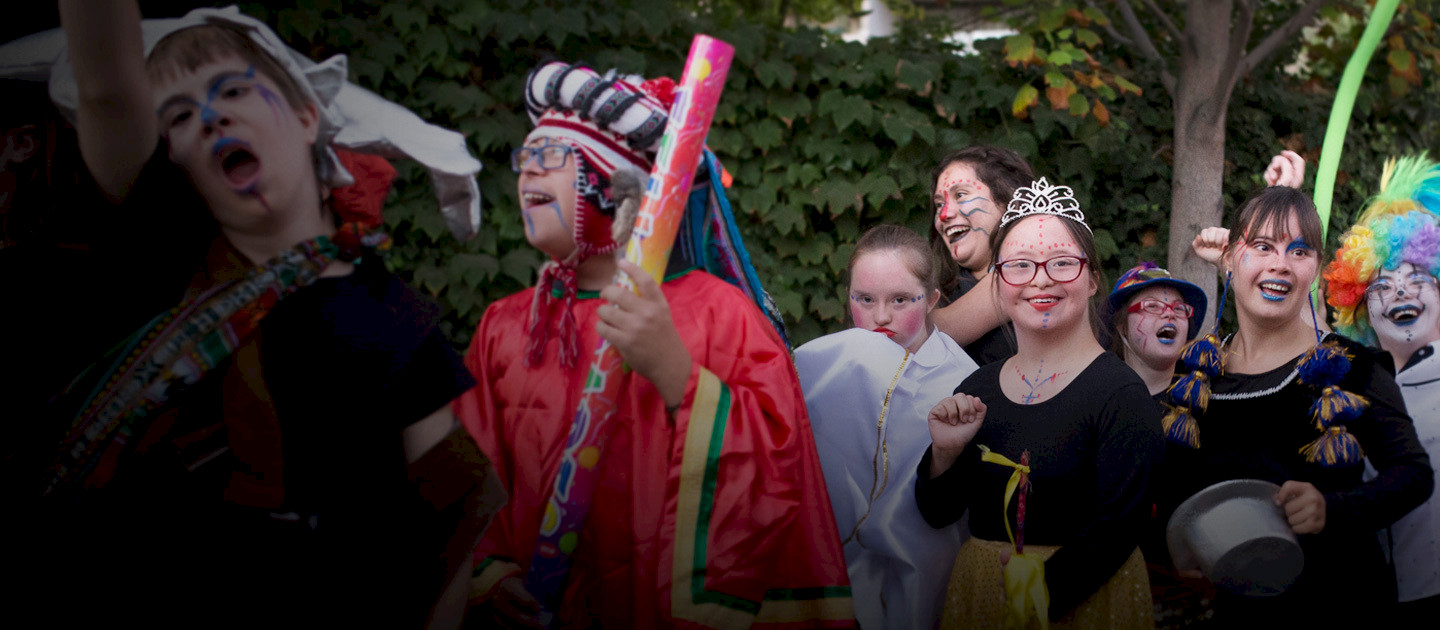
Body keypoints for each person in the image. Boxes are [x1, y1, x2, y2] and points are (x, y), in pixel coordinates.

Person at [20, 3, 497, 626]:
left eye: (235, 90)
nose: (211, 115)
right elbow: (108, 89)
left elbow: (451, 517)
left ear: (306, 117)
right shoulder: (170, 259)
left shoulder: (398, 316)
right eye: (180, 117)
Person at [455, 60, 852, 629]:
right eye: (524, 159)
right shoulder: (506, 324)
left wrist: (675, 372)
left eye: (551, 158)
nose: (526, 173)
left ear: (618, 189)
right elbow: (471, 466)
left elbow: (777, 464)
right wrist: (490, 571)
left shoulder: (721, 315)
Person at [1159, 184, 1434, 626]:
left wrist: (1333, 508)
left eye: (1299, 251)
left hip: (1338, 603)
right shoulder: (1193, 376)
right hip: (1229, 609)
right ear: (1229, 258)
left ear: (1316, 268)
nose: (1280, 265)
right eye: (1263, 246)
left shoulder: (1354, 367)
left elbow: (1414, 475)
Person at [917, 177, 1163, 628]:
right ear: (998, 283)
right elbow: (937, 513)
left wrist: (1035, 594)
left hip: (1082, 603)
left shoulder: (1121, 397)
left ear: (1091, 280)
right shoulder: (979, 389)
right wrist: (945, 455)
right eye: (1020, 265)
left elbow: (1117, 529)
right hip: (982, 601)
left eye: (1062, 263)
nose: (1040, 279)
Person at [795, 224, 979, 630]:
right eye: (864, 299)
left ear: (932, 299)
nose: (880, 316)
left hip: (927, 576)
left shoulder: (964, 382)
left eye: (899, 300)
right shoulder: (823, 367)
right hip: (837, 574)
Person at [1324, 156, 1440, 616]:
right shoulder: (1354, 386)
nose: (1400, 292)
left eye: (1417, 278)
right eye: (1382, 284)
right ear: (1359, 309)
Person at [927, 145, 1035, 364]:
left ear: (1007, 201)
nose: (944, 214)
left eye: (961, 195)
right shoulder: (936, 290)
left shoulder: (1032, 268)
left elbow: (940, 331)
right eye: (939, 204)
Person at [1104, 263, 1208, 397]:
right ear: (1122, 326)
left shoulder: (1204, 397)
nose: (1170, 313)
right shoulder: (1096, 400)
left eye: (1178, 308)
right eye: (1152, 306)